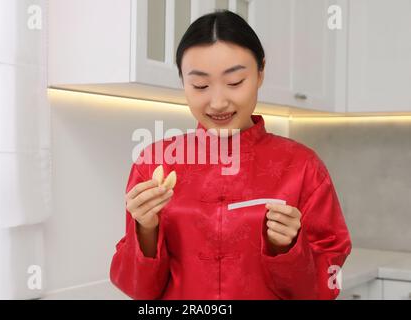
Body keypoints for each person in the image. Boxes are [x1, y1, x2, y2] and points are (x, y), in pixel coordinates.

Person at [110, 10, 351, 300]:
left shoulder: (302, 166)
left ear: (261, 72)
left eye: (235, 82)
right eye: (200, 85)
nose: (218, 101)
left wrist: (288, 248)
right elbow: (139, 291)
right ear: (182, 81)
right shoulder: (154, 162)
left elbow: (327, 284)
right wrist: (146, 230)